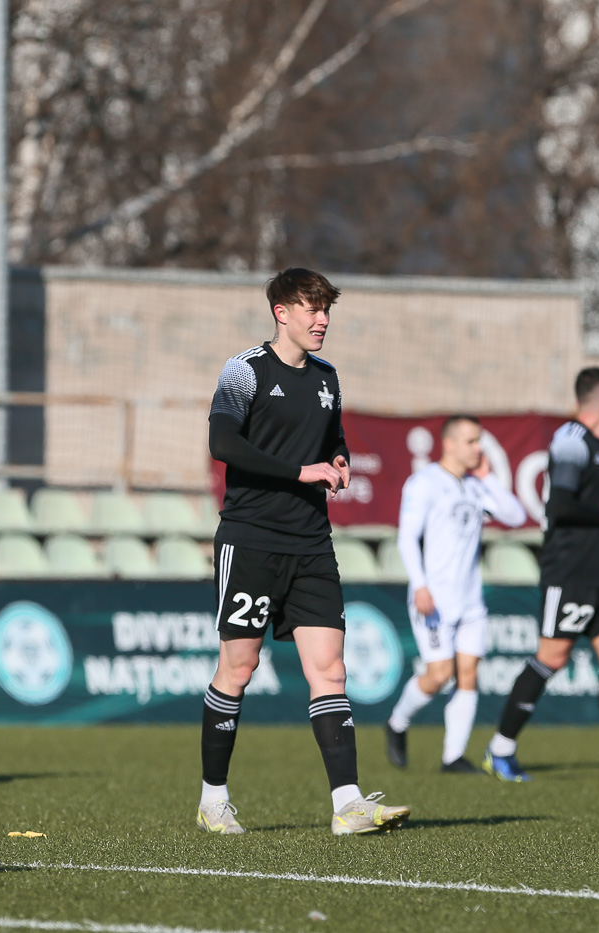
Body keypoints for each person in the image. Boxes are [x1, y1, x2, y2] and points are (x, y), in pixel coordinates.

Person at [197, 267, 409, 836]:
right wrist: (299, 471)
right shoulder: (245, 370)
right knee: (238, 668)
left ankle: (348, 804)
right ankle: (213, 800)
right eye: (312, 309)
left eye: (326, 310)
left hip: (312, 543)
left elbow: (332, 437)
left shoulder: (327, 377)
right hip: (251, 539)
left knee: (331, 670)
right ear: (281, 312)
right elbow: (222, 442)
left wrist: (338, 458)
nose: (322, 320)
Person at [481, 367, 599, 784]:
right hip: (570, 570)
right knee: (552, 657)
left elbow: (585, 513)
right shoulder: (571, 440)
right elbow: (560, 508)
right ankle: (500, 750)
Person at [384, 415, 526, 774]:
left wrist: (488, 477)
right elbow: (407, 537)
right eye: (471, 441)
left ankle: (453, 756)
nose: (478, 448)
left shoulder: (476, 486)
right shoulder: (425, 482)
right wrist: (420, 585)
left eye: (479, 441)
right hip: (435, 598)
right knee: (438, 674)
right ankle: (397, 723)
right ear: (448, 444)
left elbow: (515, 515)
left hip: (471, 600)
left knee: (468, 673)